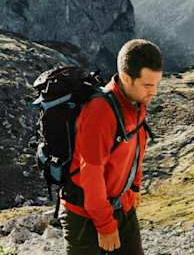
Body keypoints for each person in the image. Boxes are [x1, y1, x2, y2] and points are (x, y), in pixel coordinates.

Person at [64, 39, 164, 255]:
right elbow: (91, 174)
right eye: (148, 85)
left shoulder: (137, 102)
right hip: (85, 213)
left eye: (157, 84)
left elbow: (138, 145)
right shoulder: (99, 112)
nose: (154, 92)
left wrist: (135, 186)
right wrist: (106, 225)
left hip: (121, 201)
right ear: (126, 78)